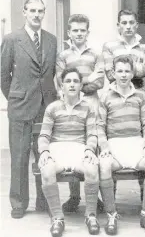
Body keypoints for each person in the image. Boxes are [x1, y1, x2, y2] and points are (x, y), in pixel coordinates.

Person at [1, 0, 57, 218]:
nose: (36, 14)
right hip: (21, 106)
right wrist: (16, 98)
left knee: (43, 155)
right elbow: (3, 76)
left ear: (44, 14)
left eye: (40, 11)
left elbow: (51, 74)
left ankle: (44, 201)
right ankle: (18, 203)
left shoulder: (51, 40)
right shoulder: (12, 39)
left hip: (46, 107)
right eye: (32, 10)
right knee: (19, 157)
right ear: (24, 12)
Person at [98, 55, 145, 234]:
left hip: (136, 144)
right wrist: (105, 148)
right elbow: (100, 126)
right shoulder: (105, 96)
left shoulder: (140, 96)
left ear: (132, 73)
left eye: (127, 71)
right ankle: (111, 214)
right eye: (119, 71)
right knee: (104, 164)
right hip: (115, 145)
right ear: (113, 73)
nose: (123, 75)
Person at [38, 68, 100, 237]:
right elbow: (44, 135)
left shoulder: (88, 108)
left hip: (79, 149)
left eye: (75, 81)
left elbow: (92, 134)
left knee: (92, 168)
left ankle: (91, 215)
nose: (72, 84)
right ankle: (58, 218)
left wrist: (89, 150)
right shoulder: (52, 108)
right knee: (47, 169)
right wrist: (44, 152)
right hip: (58, 149)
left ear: (81, 86)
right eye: (68, 81)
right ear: (62, 85)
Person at [55, 14, 105, 213]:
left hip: (92, 104)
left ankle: (96, 196)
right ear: (69, 32)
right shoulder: (63, 56)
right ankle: (74, 196)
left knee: (94, 148)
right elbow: (61, 81)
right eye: (75, 30)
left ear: (87, 32)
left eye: (82, 30)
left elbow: (100, 81)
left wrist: (76, 84)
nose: (78, 34)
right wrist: (86, 79)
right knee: (75, 144)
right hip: (71, 105)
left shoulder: (95, 54)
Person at [103, 9, 145, 90]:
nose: (128, 26)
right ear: (118, 25)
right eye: (124, 23)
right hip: (115, 94)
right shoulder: (109, 47)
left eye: (131, 22)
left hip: (138, 93)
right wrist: (137, 66)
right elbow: (110, 75)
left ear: (136, 25)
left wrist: (120, 68)